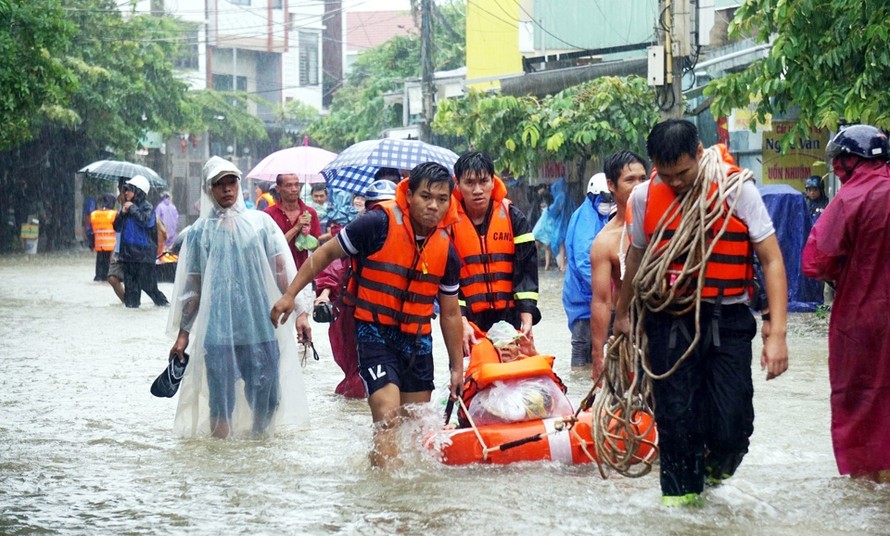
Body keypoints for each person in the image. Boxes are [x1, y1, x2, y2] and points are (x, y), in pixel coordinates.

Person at [613, 119, 789, 506]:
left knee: (733, 426)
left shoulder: (736, 188)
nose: (676, 182)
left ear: (699, 153)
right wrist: (622, 313)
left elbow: (772, 259)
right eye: (667, 174)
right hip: (669, 318)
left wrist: (777, 333)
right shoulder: (643, 197)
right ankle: (681, 512)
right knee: (676, 423)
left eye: (684, 172)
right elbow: (637, 257)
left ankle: (713, 474)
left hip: (727, 318)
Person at [270, 162, 465, 467]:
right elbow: (325, 254)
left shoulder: (446, 249)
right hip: (375, 333)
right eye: (426, 196)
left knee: (415, 428)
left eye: (442, 199)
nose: (433, 206)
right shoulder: (376, 224)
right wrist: (290, 295)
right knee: (387, 416)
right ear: (409, 194)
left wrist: (457, 368)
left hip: (417, 341)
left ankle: (404, 494)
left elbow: (450, 314)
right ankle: (384, 494)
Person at [167, 156, 313, 439]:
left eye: (231, 181)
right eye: (218, 184)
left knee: (268, 400)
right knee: (220, 405)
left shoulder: (261, 224)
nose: (226, 189)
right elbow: (192, 288)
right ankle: (224, 464)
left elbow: (282, 271)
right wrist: (183, 335)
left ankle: (255, 451)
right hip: (217, 332)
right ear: (209, 189)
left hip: (260, 326)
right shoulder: (198, 233)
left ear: (239, 184)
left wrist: (301, 313)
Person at [802, 124, 890, 483]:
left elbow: (814, 262)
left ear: (851, 161)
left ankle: (869, 481)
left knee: (860, 399)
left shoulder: (851, 199)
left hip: (863, 319)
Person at [313, 179, 397, 399]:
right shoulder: (357, 234)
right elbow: (336, 269)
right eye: (377, 206)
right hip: (354, 314)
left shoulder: (408, 240)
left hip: (391, 316)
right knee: (358, 371)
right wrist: (323, 296)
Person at [450, 151, 540, 357]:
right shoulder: (448, 225)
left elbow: (527, 270)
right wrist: (460, 321)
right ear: (458, 185)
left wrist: (527, 314)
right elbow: (447, 281)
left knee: (513, 377)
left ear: (493, 181)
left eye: (483, 181)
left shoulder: (513, 217)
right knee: (473, 376)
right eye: (469, 183)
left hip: (509, 316)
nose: (477, 190)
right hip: (467, 318)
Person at [588, 152, 648, 380]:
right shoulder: (605, 241)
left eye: (643, 179)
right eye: (630, 180)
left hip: (667, 326)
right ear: (611, 185)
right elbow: (602, 301)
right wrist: (598, 356)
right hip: (629, 332)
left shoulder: (664, 225)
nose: (638, 186)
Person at [562, 172, 614, 371]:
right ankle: (579, 386)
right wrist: (604, 288)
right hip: (582, 296)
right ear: (593, 196)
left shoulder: (599, 216)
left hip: (592, 295)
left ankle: (588, 385)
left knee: (596, 346)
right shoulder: (586, 219)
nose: (608, 203)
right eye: (605, 199)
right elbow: (585, 261)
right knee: (581, 347)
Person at [113, 175, 168, 308]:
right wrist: (122, 213)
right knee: (131, 295)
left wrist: (132, 208)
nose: (126, 193)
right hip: (128, 257)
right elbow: (116, 227)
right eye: (125, 190)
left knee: (151, 289)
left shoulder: (147, 207)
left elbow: (146, 221)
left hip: (144, 259)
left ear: (138, 191)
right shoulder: (125, 208)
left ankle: (165, 306)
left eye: (129, 190)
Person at [265, 173, 321, 269]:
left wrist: (307, 236)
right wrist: (296, 228)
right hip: (278, 272)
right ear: (278, 189)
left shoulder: (310, 212)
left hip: (303, 271)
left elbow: (316, 247)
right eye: (289, 185)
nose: (294, 189)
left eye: (297, 185)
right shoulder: (269, 214)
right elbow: (272, 247)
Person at [89, 193, 118, 282]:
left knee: (99, 266)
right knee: (109, 268)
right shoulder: (114, 214)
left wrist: (91, 244)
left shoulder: (94, 214)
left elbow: (91, 231)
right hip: (111, 245)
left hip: (99, 245)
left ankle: (98, 276)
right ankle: (106, 277)